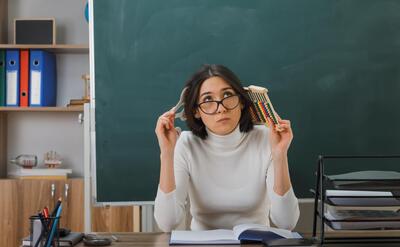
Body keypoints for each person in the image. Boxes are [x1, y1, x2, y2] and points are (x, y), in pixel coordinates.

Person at [154, 64, 299, 232]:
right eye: (208, 100)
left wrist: (279, 154)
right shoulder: (185, 144)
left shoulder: (267, 138)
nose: (221, 108)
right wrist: (166, 153)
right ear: (196, 111)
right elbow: (167, 224)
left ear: (242, 102)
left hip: (255, 243)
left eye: (228, 95)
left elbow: (286, 223)